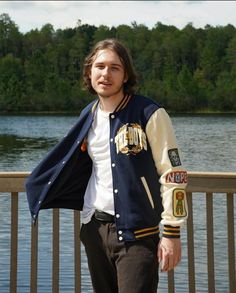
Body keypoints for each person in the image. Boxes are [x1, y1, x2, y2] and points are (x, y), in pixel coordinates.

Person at [25, 38, 188, 293]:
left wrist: (172, 232)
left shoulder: (150, 113)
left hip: (138, 234)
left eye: (115, 67)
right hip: (94, 230)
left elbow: (174, 173)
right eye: (99, 66)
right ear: (89, 72)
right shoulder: (87, 115)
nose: (105, 74)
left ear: (125, 76)